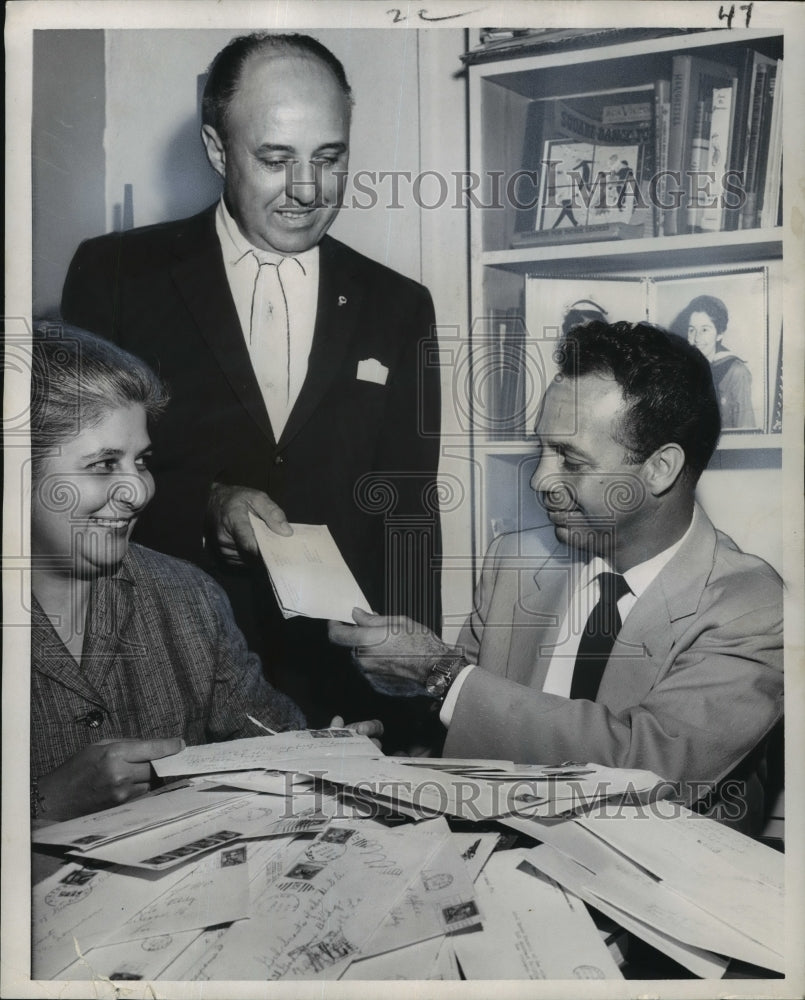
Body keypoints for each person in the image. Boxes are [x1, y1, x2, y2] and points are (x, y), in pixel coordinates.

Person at [60, 32, 442, 746]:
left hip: (339, 690)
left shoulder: (399, 306)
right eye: (275, 158)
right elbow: (69, 485)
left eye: (330, 159)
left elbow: (409, 510)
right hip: (163, 677)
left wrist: (417, 699)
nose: (307, 189)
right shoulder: (115, 276)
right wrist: (208, 506)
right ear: (216, 149)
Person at [329, 321, 783, 834]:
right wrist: (377, 762)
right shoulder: (515, 561)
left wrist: (440, 675)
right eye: (542, 450)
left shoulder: (752, 606)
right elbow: (467, 731)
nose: (541, 479)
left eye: (570, 459)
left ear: (661, 469)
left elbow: (646, 769)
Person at [30, 325, 381, 822]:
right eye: (105, 464)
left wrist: (323, 757)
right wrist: (41, 803)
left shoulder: (188, 597)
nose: (138, 491)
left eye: (142, 461)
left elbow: (269, 740)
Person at [672, 294, 755, 429]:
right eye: (692, 329)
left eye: (705, 330)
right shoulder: (683, 371)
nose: (696, 338)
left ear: (720, 334)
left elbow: (746, 431)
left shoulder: (736, 373)